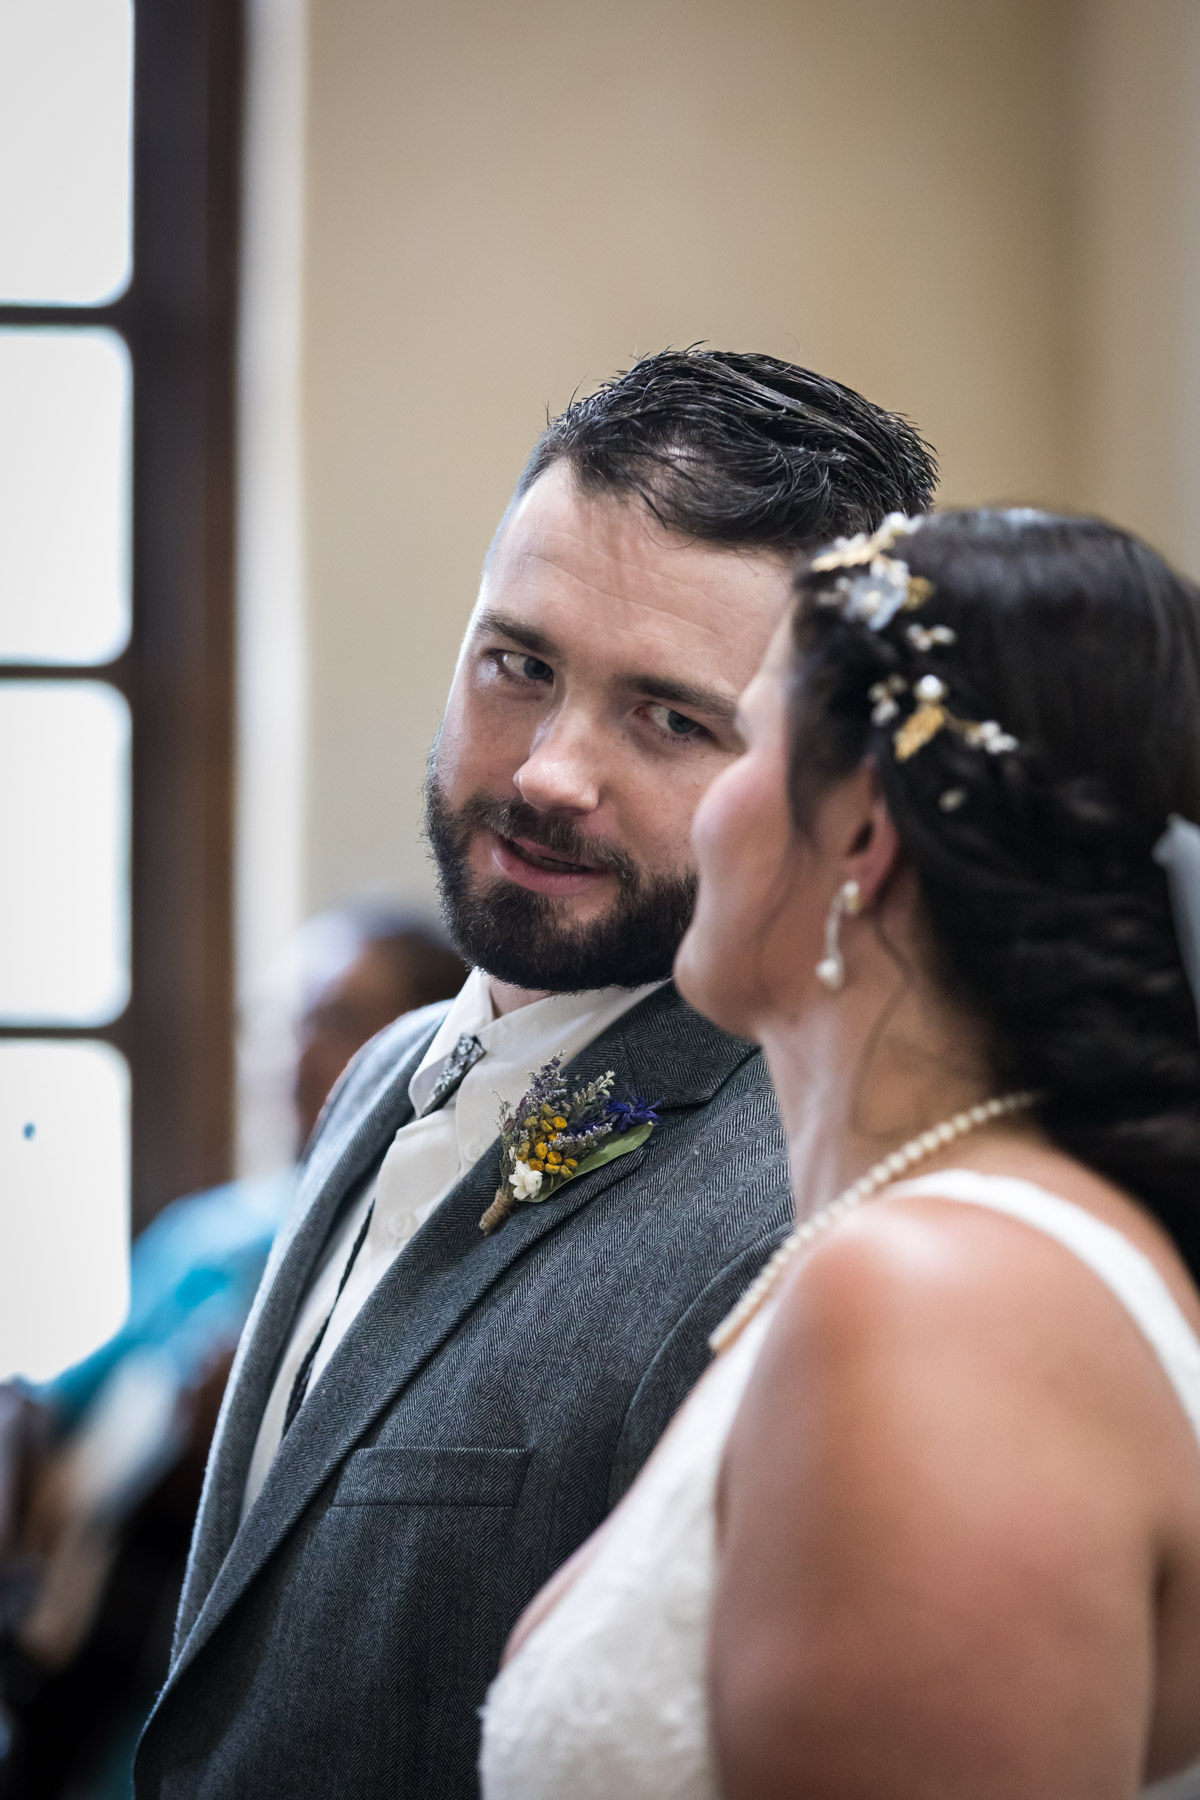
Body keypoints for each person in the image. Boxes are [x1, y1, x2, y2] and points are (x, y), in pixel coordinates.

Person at [133, 348, 938, 1800]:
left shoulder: (804, 1220)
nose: (554, 770)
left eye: (672, 719)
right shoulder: (383, 1069)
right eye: (520, 665)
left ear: (831, 776)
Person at [479, 510, 1200, 1800]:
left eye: (737, 735)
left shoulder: (940, 1304)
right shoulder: (949, 1248)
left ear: (864, 837)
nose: (702, 823)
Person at [0, 907, 463, 1800]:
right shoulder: (209, 1236)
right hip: (68, 1694)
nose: (293, 1059)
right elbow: (57, 1419)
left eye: (336, 1020)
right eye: (284, 1023)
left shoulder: (433, 1255)